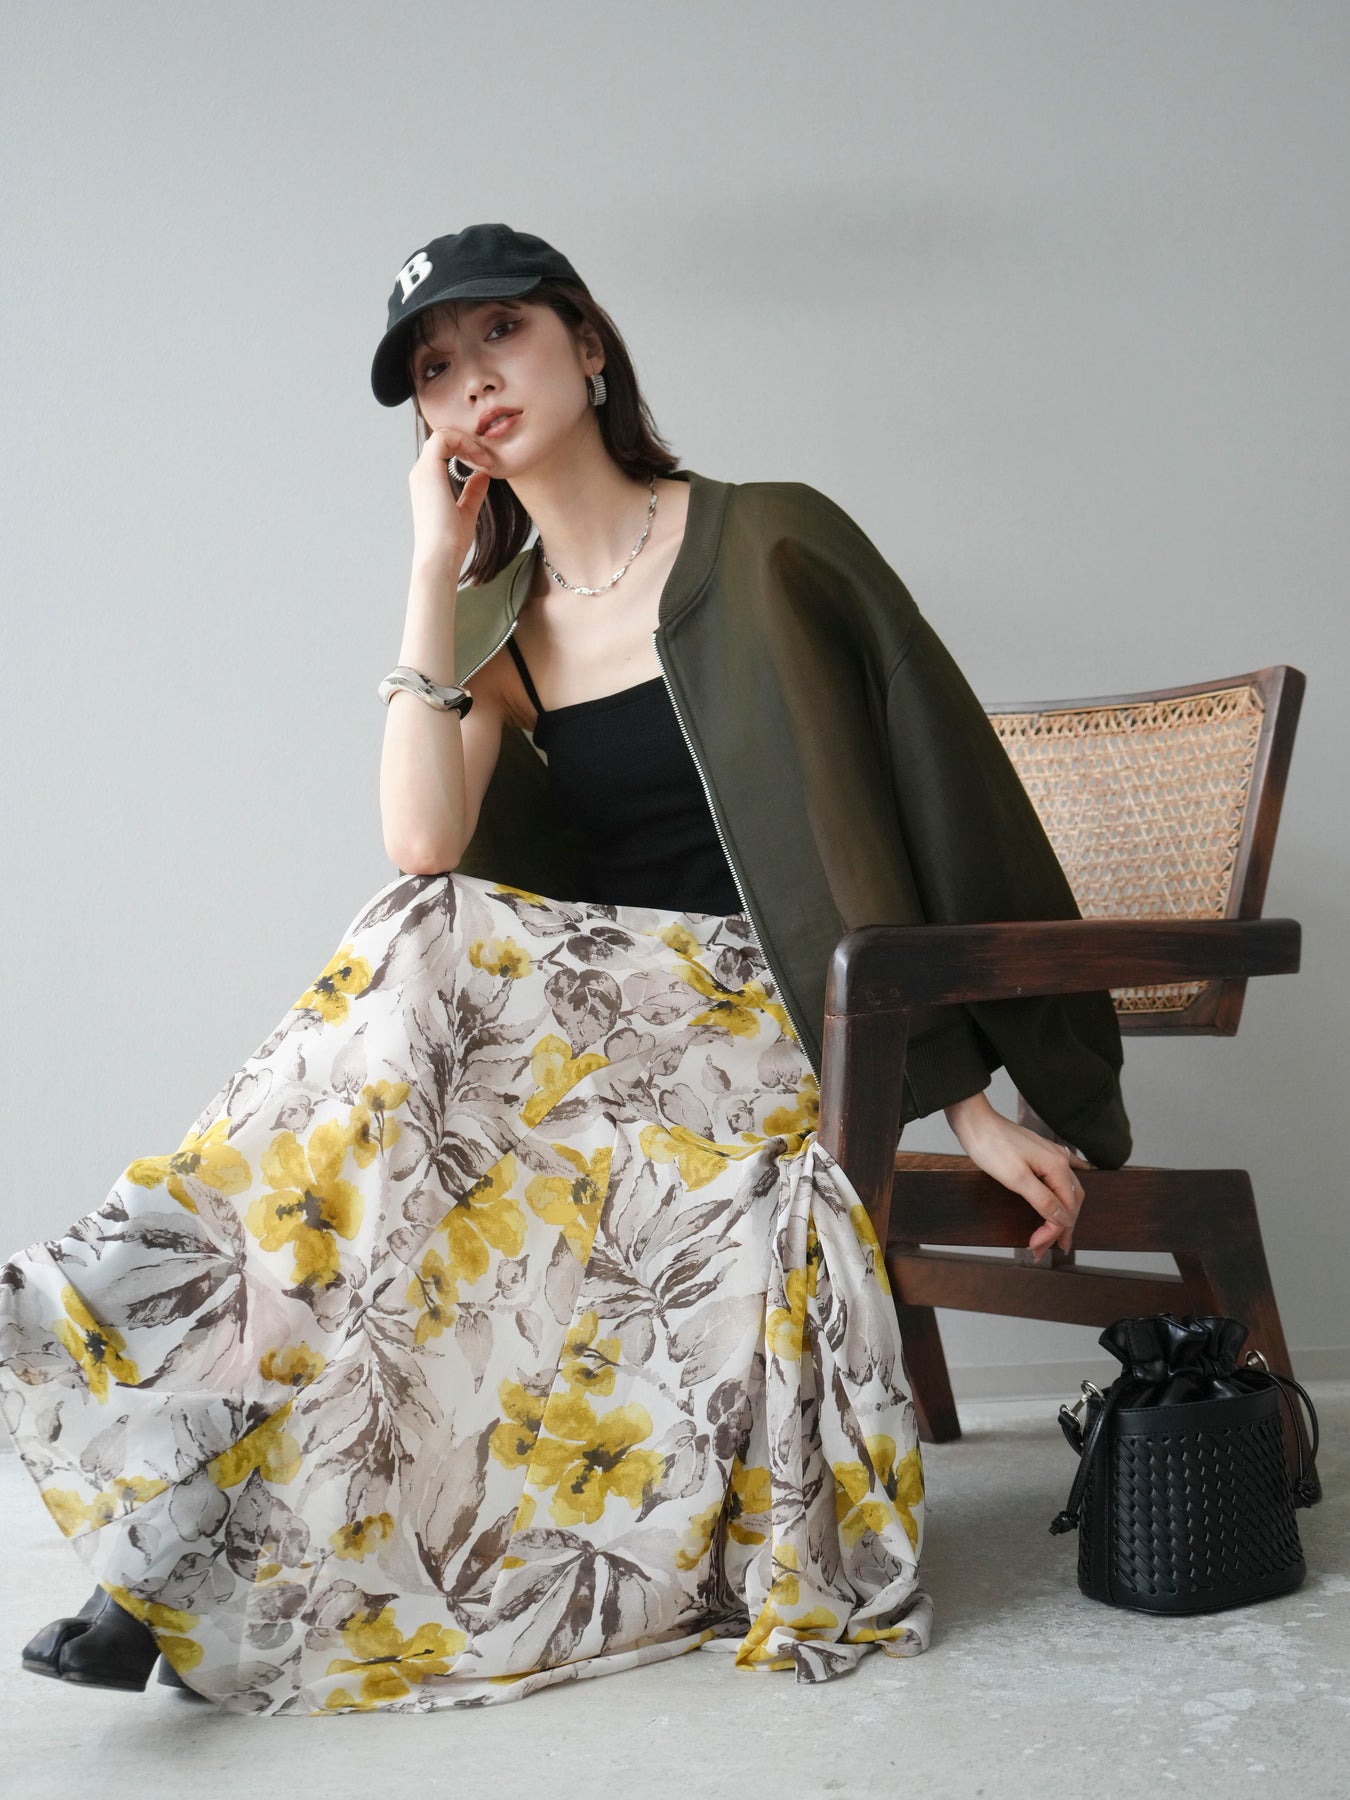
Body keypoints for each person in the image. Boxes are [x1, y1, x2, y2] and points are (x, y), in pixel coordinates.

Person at [1, 223, 1128, 1716]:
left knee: (420, 957)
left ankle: (133, 1365)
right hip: (601, 1055)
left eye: (501, 335)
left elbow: (926, 793)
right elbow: (421, 836)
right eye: (433, 371)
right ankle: (183, 1545)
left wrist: (969, 1092)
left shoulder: (770, 539)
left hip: (784, 1027)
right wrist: (434, 571)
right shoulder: (501, 630)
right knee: (394, 1136)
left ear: (588, 347)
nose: (471, 382)